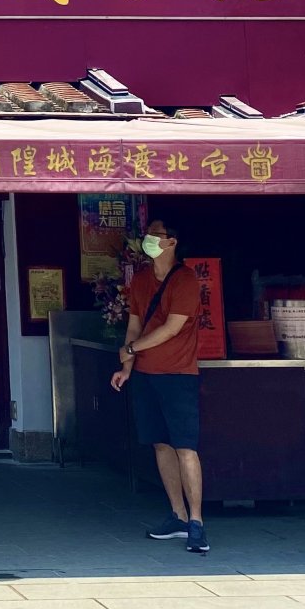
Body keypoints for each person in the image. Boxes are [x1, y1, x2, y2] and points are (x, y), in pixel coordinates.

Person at [110, 220, 208, 554]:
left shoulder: (186, 280)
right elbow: (134, 325)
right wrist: (127, 367)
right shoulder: (140, 280)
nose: (148, 239)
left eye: (156, 235)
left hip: (178, 374)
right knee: (161, 445)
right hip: (145, 374)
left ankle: (196, 522)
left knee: (185, 447)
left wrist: (132, 349)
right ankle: (177, 514)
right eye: (147, 234)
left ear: (172, 242)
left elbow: (171, 328)